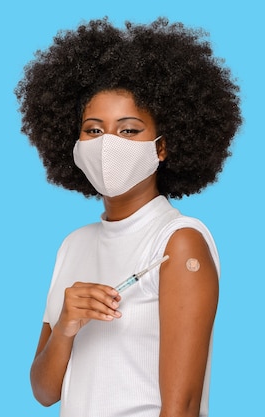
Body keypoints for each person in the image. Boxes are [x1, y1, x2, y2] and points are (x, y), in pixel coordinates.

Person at [14, 17, 241, 417]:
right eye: (93, 130)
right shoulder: (74, 245)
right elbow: (44, 391)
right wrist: (66, 325)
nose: (108, 145)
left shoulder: (177, 241)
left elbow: (183, 407)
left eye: (130, 130)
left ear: (162, 147)